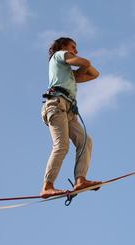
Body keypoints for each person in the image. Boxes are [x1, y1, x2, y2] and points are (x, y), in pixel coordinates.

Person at [40, 37, 102, 198]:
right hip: (56, 104)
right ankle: (47, 186)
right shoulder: (59, 54)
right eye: (73, 47)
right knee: (62, 145)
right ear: (62, 46)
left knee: (85, 141)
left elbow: (95, 74)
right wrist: (83, 65)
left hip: (69, 111)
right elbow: (86, 63)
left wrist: (79, 70)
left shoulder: (67, 75)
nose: (75, 51)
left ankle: (80, 179)